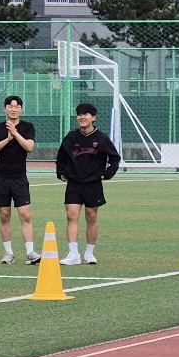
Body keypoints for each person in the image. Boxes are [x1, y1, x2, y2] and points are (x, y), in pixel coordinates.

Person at [54, 102, 121, 266]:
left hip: (93, 184)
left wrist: (108, 173)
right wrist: (61, 171)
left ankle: (89, 253)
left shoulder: (101, 138)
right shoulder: (71, 137)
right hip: (74, 183)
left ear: (93, 117)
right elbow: (61, 157)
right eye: (79, 114)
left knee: (91, 217)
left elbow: (114, 158)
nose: (82, 117)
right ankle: (73, 254)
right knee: (71, 216)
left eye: (85, 114)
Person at [0, 94, 39, 265]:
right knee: (4, 215)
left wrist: (15, 133)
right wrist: (7, 138)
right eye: (10, 106)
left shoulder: (28, 127)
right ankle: (8, 253)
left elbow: (29, 147)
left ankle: (30, 253)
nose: (13, 109)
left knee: (25, 215)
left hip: (19, 178)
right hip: (1, 178)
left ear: (21, 109)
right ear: (5, 109)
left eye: (17, 106)